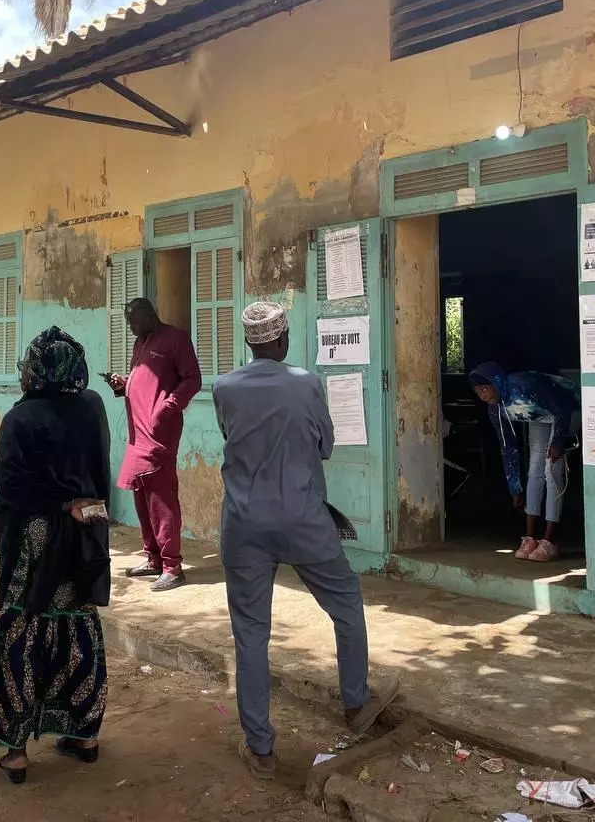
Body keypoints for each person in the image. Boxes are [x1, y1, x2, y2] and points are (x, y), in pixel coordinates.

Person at [214, 301, 398, 781]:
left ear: (250, 342)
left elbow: (230, 438)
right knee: (346, 605)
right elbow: (325, 445)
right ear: (281, 340)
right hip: (304, 520)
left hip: (244, 526)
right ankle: (356, 705)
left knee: (251, 635)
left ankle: (261, 750)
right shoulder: (306, 383)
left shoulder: (224, 388)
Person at [0, 326, 112, 785]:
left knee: (25, 629)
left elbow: (10, 488)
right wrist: (81, 508)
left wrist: (52, 507)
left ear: (34, 371)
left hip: (35, 543)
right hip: (85, 535)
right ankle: (84, 734)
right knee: (77, 622)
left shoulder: (20, 419)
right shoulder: (92, 407)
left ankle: (15, 752)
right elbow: (100, 472)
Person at [107, 297, 201, 592]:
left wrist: (168, 406)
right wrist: (123, 385)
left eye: (136, 321)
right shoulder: (141, 343)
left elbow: (192, 379)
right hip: (138, 433)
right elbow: (144, 382)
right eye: (129, 324)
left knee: (161, 496)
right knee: (141, 492)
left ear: (150, 314)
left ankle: (173, 567)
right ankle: (153, 558)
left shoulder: (176, 339)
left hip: (160, 431)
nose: (132, 328)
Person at [468, 361, 579, 563]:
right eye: (477, 392)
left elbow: (562, 406)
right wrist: (514, 488)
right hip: (540, 415)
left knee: (551, 469)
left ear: (496, 382)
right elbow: (507, 447)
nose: (482, 395)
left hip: (567, 407)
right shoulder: (495, 408)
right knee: (534, 469)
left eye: (484, 388)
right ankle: (529, 537)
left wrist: (557, 442)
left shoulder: (523, 386)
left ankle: (549, 539)